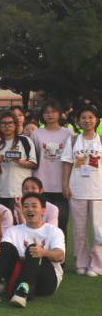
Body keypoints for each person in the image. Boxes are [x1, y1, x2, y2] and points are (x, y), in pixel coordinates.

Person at [0, 193, 65, 308]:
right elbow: (4, 253)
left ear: (43, 210)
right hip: (17, 275)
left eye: (34, 206)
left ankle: (22, 292)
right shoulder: (13, 231)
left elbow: (60, 256)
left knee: (33, 249)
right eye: (26, 206)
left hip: (45, 282)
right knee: (4, 246)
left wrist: (43, 253)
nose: (30, 209)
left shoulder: (54, 231)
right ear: (22, 209)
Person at [62, 104, 102, 276]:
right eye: (83, 118)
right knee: (79, 230)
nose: (87, 120)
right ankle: (81, 262)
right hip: (77, 190)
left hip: (98, 191)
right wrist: (65, 185)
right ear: (78, 121)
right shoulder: (73, 140)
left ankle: (97, 265)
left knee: (99, 231)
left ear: (96, 120)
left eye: (91, 117)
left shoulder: (100, 140)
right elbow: (66, 164)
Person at [0, 111, 37, 209]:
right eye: (4, 123)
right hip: (3, 191)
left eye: (10, 123)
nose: (7, 126)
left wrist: (19, 161)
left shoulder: (25, 140)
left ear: (15, 124)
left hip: (21, 191)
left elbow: (33, 164)